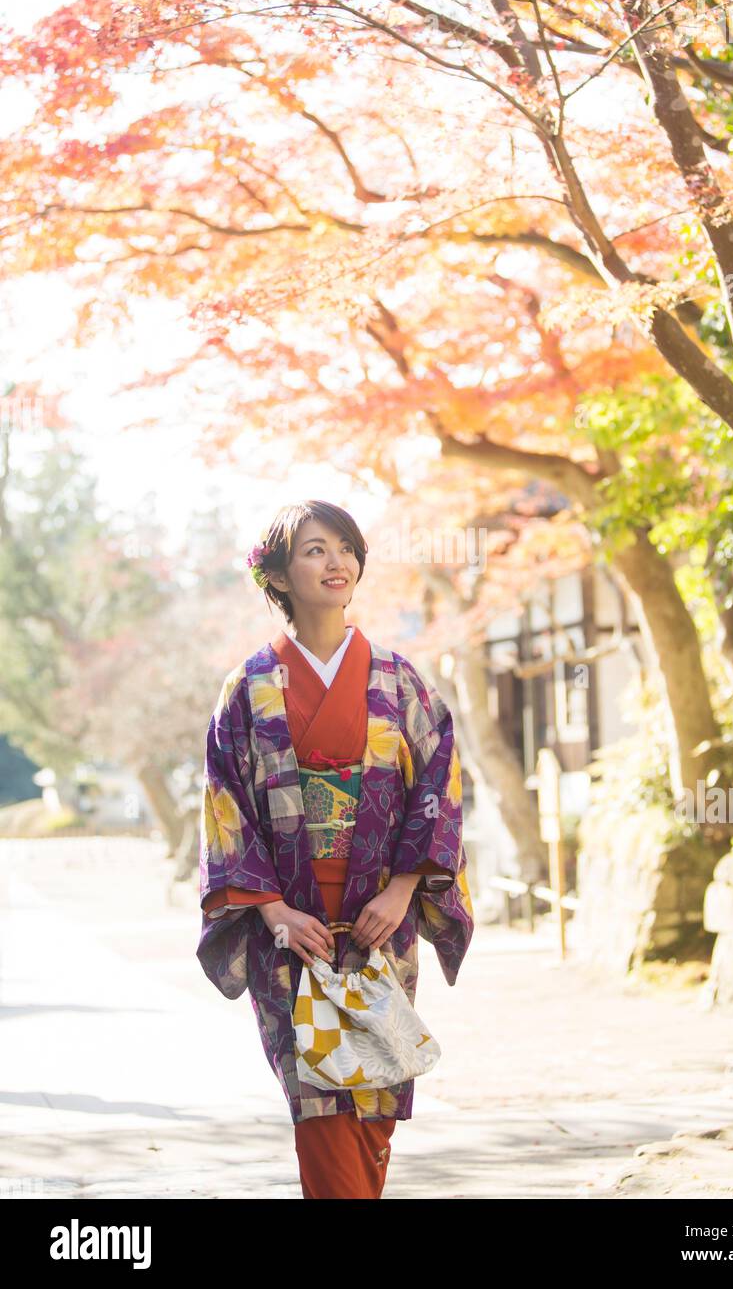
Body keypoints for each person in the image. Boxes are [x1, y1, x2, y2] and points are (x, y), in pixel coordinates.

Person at [196, 499, 474, 1198]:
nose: (337, 561)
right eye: (316, 549)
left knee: (378, 1098)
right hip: (294, 933)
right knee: (318, 1099)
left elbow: (440, 780)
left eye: (345, 548)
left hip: (381, 920)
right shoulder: (247, 689)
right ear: (281, 575)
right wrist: (269, 912)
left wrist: (405, 888)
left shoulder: (399, 680)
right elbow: (225, 802)